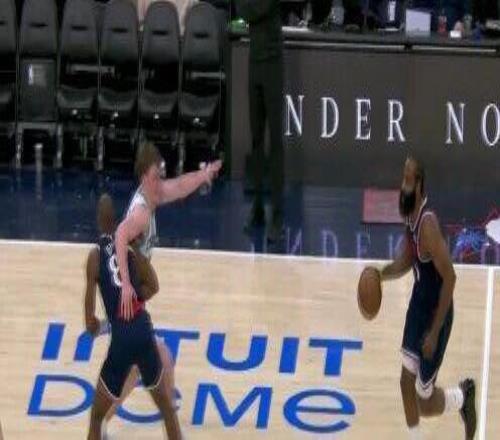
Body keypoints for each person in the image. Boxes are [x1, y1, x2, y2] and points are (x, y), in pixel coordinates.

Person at [375, 156, 476, 439]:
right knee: (405, 383)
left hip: (437, 313)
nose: (403, 185)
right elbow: (407, 260)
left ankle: (463, 397)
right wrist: (381, 275)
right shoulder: (411, 216)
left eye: (408, 179)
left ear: (419, 185)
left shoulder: (428, 225)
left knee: (424, 400)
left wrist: (433, 332)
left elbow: (450, 278)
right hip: (419, 305)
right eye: (403, 178)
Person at [85, 194, 181, 440]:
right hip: (142, 330)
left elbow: (90, 323)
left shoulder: (95, 257)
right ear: (116, 220)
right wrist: (136, 297)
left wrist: (98, 326)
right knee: (167, 410)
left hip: (122, 339)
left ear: (98, 221)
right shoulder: (128, 248)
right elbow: (154, 287)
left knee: (96, 417)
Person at [236, 0, 285, 242]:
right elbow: (241, 9)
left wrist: (247, 9)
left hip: (272, 63)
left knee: (275, 141)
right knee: (256, 139)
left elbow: (254, 10)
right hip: (254, 62)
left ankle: (277, 215)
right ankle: (257, 208)